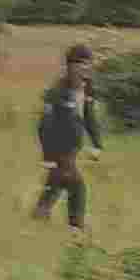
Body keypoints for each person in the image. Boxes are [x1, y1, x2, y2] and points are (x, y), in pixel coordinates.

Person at [33, 76, 103, 231]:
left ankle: (39, 214)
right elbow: (44, 124)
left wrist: (97, 144)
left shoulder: (87, 87)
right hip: (59, 146)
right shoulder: (58, 90)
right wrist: (48, 156)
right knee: (77, 186)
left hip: (73, 148)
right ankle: (75, 227)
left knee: (57, 182)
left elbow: (89, 117)